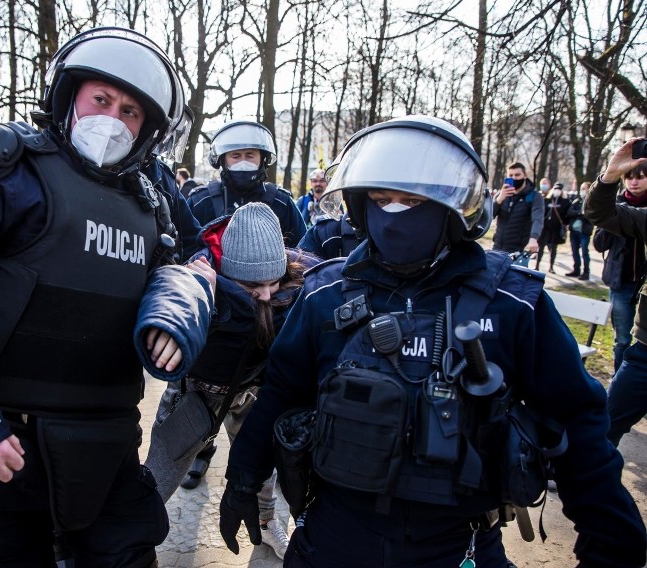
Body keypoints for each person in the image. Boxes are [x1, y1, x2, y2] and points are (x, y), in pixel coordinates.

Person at [219, 115, 646, 568]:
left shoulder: (512, 303)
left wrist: (610, 533)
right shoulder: (326, 295)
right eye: (382, 199)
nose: (395, 214)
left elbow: (576, 419)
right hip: (334, 534)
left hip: (459, 544)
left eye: (412, 200)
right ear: (361, 206)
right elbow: (281, 392)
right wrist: (243, 477)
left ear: (451, 207)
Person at [0, 27, 215, 568]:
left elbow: (195, 264)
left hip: (109, 456)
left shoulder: (155, 199)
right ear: (68, 95)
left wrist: (184, 303)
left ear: (148, 129)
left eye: (130, 112)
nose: (112, 119)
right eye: (101, 99)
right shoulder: (1, 171)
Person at [141, 202, 320, 559]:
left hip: (256, 392)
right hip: (198, 395)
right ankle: (132, 536)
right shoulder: (198, 276)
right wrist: (181, 315)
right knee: (157, 476)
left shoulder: (300, 281)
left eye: (274, 282)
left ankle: (268, 525)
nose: (268, 295)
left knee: (261, 472)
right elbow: (172, 296)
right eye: (255, 286)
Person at [583, 142, 647, 446]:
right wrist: (610, 175)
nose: (635, 179)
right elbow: (598, 212)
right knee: (606, 425)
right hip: (644, 354)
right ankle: (581, 472)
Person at [186, 120, 306, 247]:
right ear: (223, 160)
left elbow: (303, 253)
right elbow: (184, 249)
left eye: (250, 155)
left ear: (263, 159)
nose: (243, 163)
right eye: (236, 156)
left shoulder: (281, 202)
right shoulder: (201, 201)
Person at [491, 162, 543, 254]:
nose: (514, 178)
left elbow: (538, 219)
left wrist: (534, 238)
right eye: (510, 175)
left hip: (518, 250)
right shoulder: (501, 194)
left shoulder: (534, 196)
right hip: (497, 247)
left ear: (525, 175)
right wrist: (498, 200)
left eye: (517, 175)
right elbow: (489, 216)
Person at [534, 181, 570, 273]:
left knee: (553, 249)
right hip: (545, 228)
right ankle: (537, 266)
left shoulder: (565, 202)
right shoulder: (547, 200)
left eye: (559, 189)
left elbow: (566, 215)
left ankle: (551, 267)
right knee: (540, 248)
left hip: (555, 229)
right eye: (555, 189)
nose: (557, 191)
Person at [564, 181, 595, 280]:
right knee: (574, 251)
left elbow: (590, 215)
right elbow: (569, 212)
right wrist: (579, 213)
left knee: (585, 252)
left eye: (585, 188)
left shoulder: (592, 202)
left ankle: (586, 272)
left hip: (584, 231)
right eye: (582, 188)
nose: (583, 191)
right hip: (574, 231)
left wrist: (582, 214)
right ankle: (576, 270)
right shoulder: (577, 201)